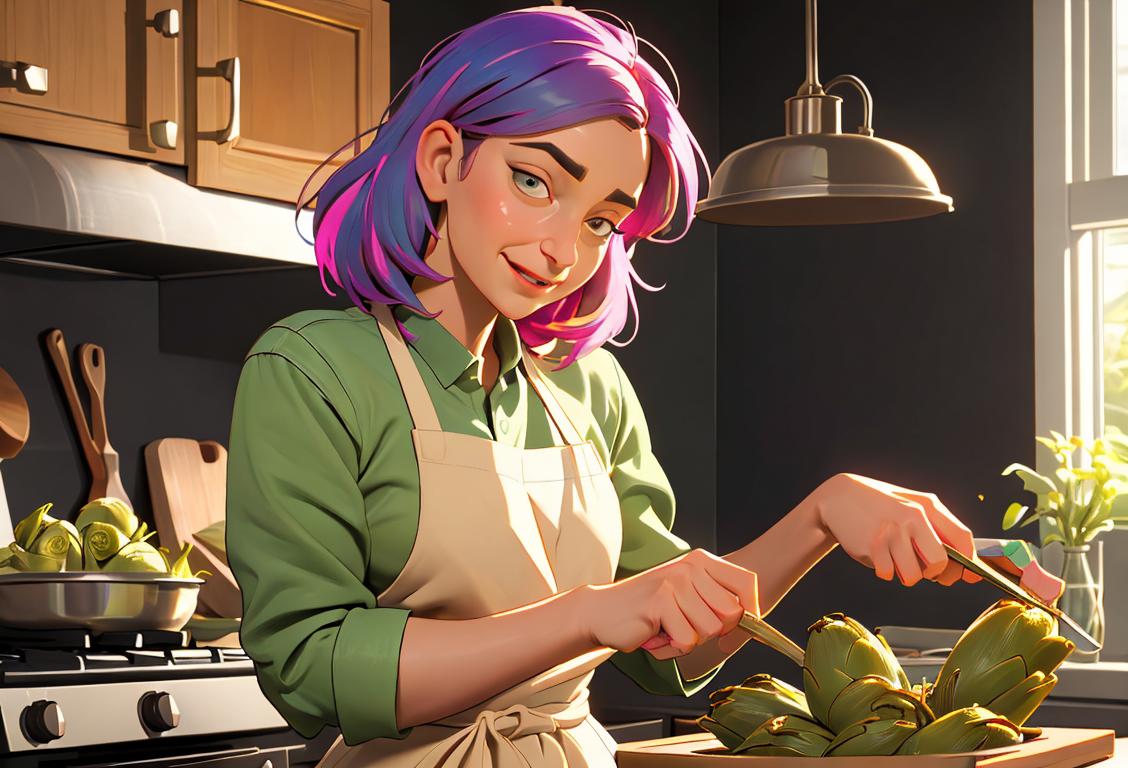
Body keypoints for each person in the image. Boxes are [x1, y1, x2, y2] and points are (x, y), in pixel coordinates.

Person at [224, 7, 1059, 768]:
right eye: (535, 181)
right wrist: (586, 613)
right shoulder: (313, 370)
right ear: (443, 160)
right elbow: (314, 672)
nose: (563, 251)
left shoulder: (586, 386)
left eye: (598, 221)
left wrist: (823, 516)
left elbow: (671, 648)